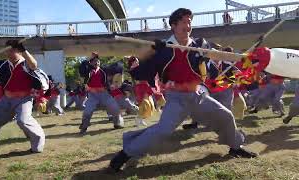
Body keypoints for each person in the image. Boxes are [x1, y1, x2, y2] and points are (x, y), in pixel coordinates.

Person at [109, 8, 257, 172]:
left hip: (198, 95)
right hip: (176, 98)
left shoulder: (199, 44)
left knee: (226, 116)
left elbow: (219, 55)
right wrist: (150, 53)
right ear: (173, 25)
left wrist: (245, 58)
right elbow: (143, 70)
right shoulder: (163, 48)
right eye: (184, 22)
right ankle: (125, 154)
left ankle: (235, 146)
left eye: (190, 22)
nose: (188, 26)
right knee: (163, 131)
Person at [0, 40, 45, 153]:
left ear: (19, 51)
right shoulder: (1, 64)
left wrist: (24, 50)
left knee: (23, 121)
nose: (10, 53)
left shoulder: (26, 63)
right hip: (6, 100)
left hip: (24, 100)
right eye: (8, 50)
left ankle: (37, 145)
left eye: (13, 50)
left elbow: (34, 65)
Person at [79, 53, 124, 135]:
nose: (97, 63)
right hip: (92, 95)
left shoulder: (104, 71)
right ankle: (84, 127)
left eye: (98, 61)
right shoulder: (87, 71)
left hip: (104, 93)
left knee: (114, 107)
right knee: (88, 110)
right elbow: (82, 68)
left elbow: (118, 66)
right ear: (91, 63)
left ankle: (118, 122)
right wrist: (89, 58)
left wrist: (112, 85)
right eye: (95, 61)